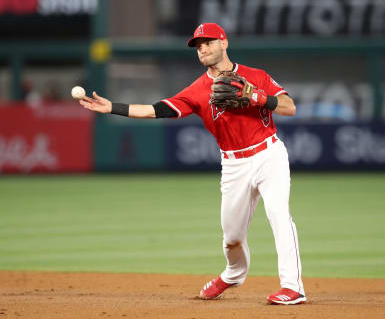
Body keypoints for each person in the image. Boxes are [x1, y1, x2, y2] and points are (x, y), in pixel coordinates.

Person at [79, 23, 306, 305]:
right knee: (232, 238)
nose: (203, 49)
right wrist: (113, 108)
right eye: (198, 46)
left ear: (224, 43)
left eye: (208, 42)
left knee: (279, 215)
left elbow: (289, 106)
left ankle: (292, 286)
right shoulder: (198, 90)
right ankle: (233, 274)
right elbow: (157, 110)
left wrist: (255, 96)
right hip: (234, 165)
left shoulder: (254, 76)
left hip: (269, 154)